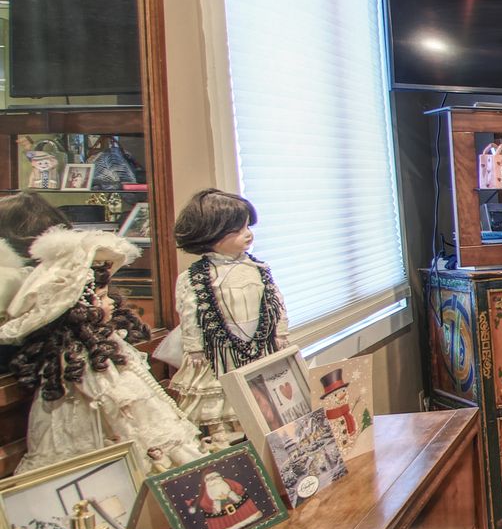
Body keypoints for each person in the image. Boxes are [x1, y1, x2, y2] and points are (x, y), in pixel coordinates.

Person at [0, 225, 204, 473]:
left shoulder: (106, 341)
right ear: (82, 305)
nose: (110, 303)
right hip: (101, 424)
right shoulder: (78, 357)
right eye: (103, 296)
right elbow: (104, 397)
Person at [165, 189, 291, 443]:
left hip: (259, 348)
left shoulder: (257, 269)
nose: (247, 234)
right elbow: (190, 314)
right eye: (237, 229)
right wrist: (194, 347)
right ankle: (225, 441)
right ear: (210, 234)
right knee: (222, 398)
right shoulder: (196, 278)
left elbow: (276, 303)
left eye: (247, 226)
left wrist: (280, 332)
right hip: (220, 352)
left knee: (263, 399)